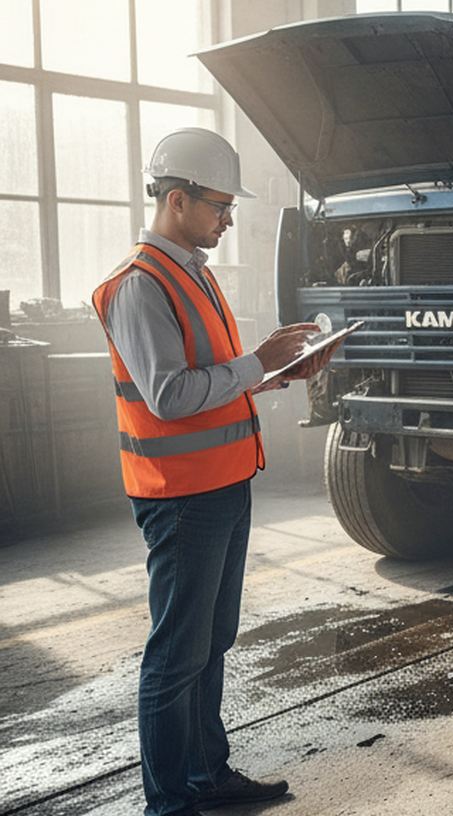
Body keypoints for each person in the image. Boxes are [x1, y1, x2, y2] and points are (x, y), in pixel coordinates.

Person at [91, 128, 331, 816]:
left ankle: (206, 772)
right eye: (220, 206)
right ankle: (170, 803)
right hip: (180, 498)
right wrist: (258, 361)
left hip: (222, 483)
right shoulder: (139, 287)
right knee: (175, 654)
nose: (228, 219)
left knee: (211, 640)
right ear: (176, 201)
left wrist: (279, 372)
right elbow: (170, 395)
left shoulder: (193, 273)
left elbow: (213, 381)